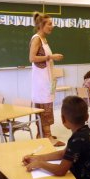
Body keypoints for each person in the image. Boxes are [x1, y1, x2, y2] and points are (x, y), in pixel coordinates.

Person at [22, 96, 90, 179]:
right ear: (87, 117)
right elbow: (63, 153)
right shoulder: (85, 131)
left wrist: (40, 164)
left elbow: (61, 171)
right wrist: (37, 158)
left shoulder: (77, 140)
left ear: (63, 119)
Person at [29, 12, 64, 147]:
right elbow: (32, 58)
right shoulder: (36, 39)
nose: (52, 26)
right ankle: (47, 136)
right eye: (49, 24)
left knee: (47, 106)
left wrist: (51, 58)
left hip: (48, 79)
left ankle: (42, 134)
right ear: (41, 25)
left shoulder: (44, 39)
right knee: (45, 107)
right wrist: (51, 57)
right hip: (41, 81)